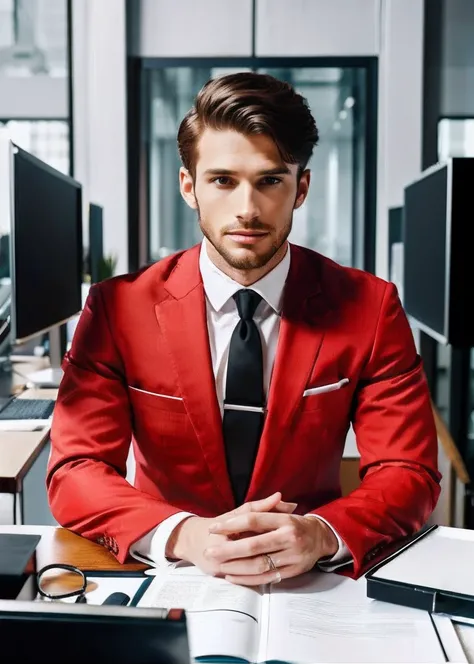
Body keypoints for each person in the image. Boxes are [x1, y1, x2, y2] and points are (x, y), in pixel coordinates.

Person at [47, 72, 440, 586]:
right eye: (223, 180)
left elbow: (408, 471)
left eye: (270, 180)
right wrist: (186, 535)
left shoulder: (370, 307)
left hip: (310, 579)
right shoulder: (118, 308)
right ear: (189, 186)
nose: (247, 210)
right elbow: (75, 469)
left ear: (301, 188)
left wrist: (322, 533)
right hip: (171, 570)